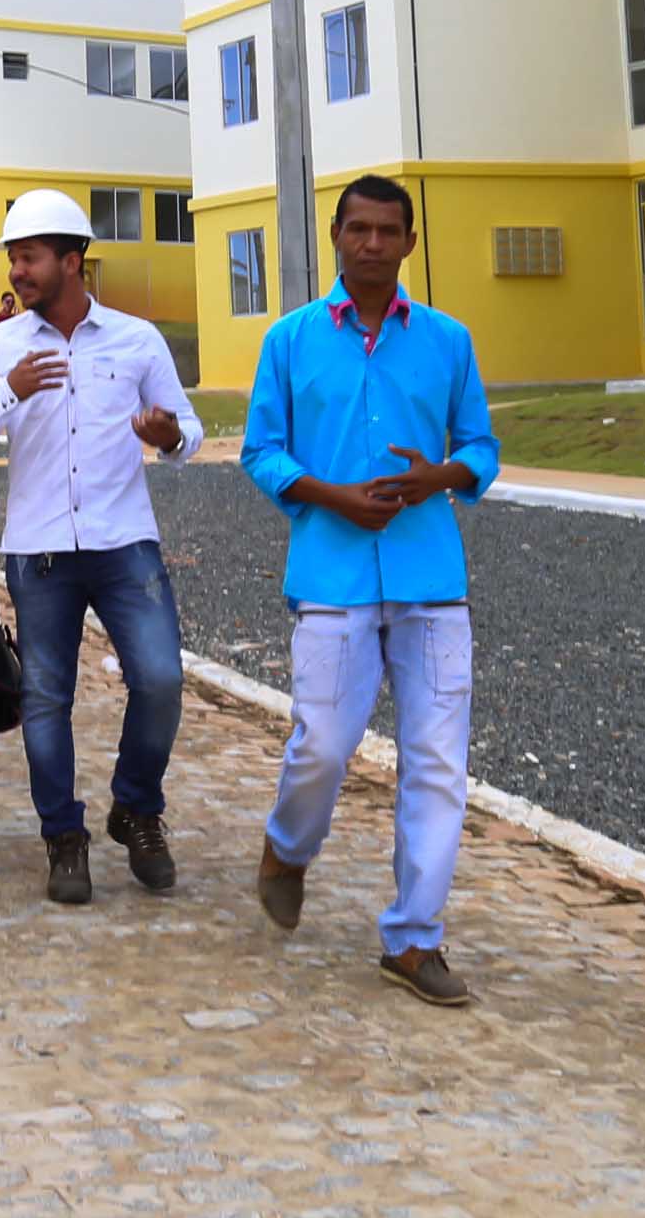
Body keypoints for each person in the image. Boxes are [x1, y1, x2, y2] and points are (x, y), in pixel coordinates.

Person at [240, 175, 503, 1010]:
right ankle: (287, 847)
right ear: (336, 235)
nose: (374, 244)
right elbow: (262, 451)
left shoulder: (447, 339)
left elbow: (483, 447)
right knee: (322, 743)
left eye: (390, 231)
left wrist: (444, 476)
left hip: (431, 578)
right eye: (359, 228)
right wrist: (332, 493)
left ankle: (415, 938)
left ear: (410, 242)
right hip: (331, 573)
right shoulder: (289, 340)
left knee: (436, 762)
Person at [0, 190, 204, 908]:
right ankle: (64, 835)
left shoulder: (137, 338)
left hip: (126, 543)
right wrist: (8, 389)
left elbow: (190, 433)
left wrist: (168, 438)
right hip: (41, 552)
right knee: (45, 698)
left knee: (160, 679)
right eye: (12, 256)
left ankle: (137, 805)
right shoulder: (1, 345)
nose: (17, 270)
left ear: (71, 259)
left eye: (28, 256)